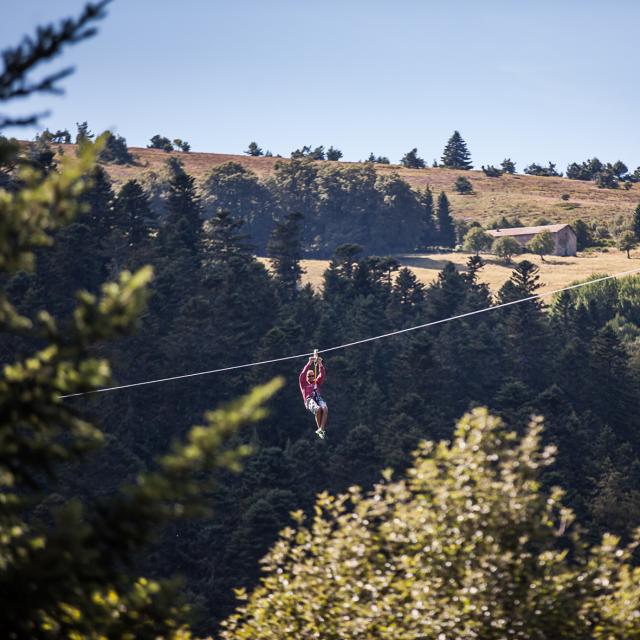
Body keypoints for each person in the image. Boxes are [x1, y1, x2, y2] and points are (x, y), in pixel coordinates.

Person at [299, 355, 328, 438]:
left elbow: (322, 375)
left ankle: (321, 429)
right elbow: (302, 374)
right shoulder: (304, 384)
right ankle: (320, 429)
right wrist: (309, 363)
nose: (311, 377)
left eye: (312, 376)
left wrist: (320, 364)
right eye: (309, 376)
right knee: (318, 409)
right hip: (309, 400)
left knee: (325, 408)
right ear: (307, 377)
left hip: (318, 398)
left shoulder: (316, 382)